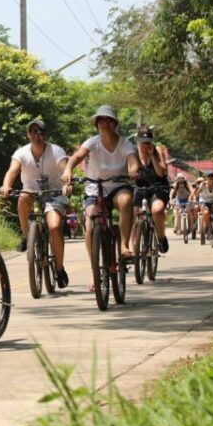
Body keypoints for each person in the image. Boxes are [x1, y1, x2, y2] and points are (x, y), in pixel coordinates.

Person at [61, 105, 139, 291]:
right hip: (94, 189)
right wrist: (67, 169)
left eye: (108, 120)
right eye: (101, 120)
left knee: (126, 201)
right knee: (90, 225)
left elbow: (133, 162)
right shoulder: (92, 142)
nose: (105, 123)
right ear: (97, 124)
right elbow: (77, 157)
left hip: (118, 186)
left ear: (114, 124)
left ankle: (125, 246)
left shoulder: (125, 144)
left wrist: (134, 171)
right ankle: (94, 269)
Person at [0, 119, 70, 288]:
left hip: (53, 192)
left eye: (39, 132)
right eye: (32, 132)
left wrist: (67, 181)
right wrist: (6, 185)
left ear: (45, 135)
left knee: (54, 228)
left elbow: (64, 168)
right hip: (31, 191)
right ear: (28, 135)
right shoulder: (21, 153)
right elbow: (12, 170)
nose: (36, 135)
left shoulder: (56, 151)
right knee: (23, 197)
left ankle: (59, 269)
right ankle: (26, 236)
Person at [133, 127, 170, 253]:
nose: (145, 144)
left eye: (148, 141)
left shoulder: (157, 150)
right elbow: (130, 173)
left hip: (158, 187)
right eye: (143, 141)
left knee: (157, 210)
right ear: (138, 141)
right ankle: (134, 245)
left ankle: (161, 237)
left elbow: (161, 172)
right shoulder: (132, 153)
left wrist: (152, 155)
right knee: (133, 213)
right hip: (140, 188)